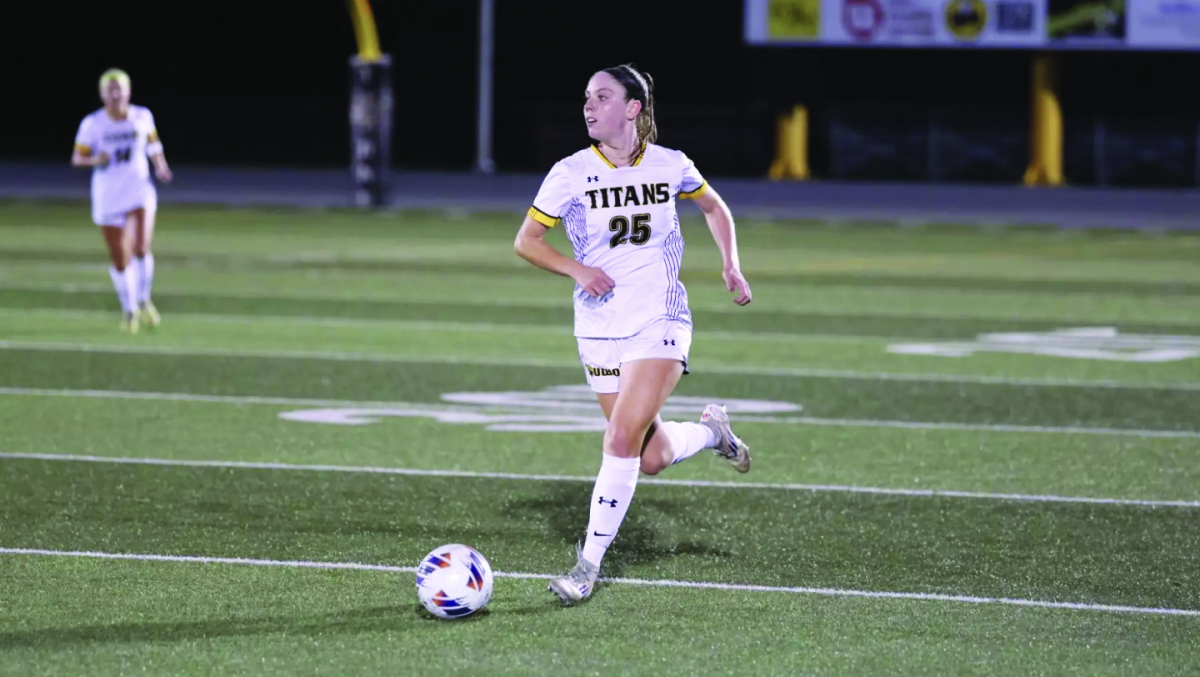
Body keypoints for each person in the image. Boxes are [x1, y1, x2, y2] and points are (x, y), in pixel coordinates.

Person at [513, 63, 754, 606]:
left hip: (660, 320)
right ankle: (714, 433)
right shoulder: (570, 172)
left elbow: (713, 206)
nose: (589, 106)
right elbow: (526, 241)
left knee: (620, 440)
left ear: (632, 108)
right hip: (598, 327)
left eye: (602, 97)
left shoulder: (670, 164)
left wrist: (730, 265)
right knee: (651, 455)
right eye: (585, 98)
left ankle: (585, 569)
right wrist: (578, 271)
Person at [72, 68, 172, 333]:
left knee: (141, 247)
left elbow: (153, 144)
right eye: (110, 89)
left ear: (128, 91)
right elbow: (77, 158)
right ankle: (129, 308)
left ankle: (143, 298)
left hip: (139, 189)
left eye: (120, 88)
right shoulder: (93, 123)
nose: (116, 94)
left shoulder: (142, 116)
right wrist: (96, 159)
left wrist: (160, 167)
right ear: (102, 94)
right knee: (120, 259)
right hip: (108, 194)